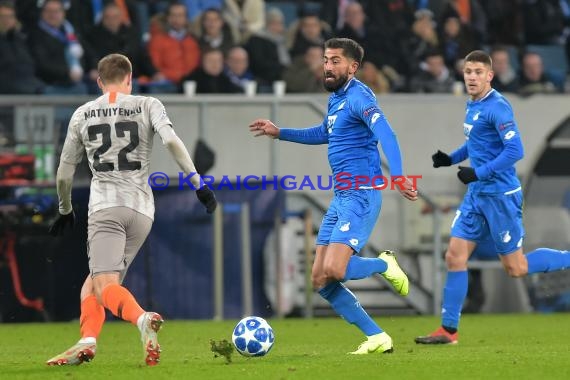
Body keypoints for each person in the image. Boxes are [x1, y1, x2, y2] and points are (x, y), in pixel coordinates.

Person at [248, 38, 418, 354]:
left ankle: (384, 264)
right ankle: (377, 337)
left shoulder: (359, 96)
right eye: (326, 59)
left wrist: (398, 175)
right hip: (341, 196)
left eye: (336, 60)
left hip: (361, 194)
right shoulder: (336, 99)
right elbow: (325, 133)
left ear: (353, 67)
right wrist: (280, 132)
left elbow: (387, 133)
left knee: (337, 270)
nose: (328, 66)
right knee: (320, 280)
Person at [46, 53, 217, 366]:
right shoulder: (148, 103)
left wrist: (65, 208)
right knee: (94, 284)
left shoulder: (83, 113)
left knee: (104, 283)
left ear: (99, 81)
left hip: (106, 208)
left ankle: (142, 319)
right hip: (142, 211)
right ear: (130, 78)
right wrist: (199, 185)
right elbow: (172, 142)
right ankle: (87, 342)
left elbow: (64, 172)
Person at [416, 50, 570, 345]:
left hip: (500, 196)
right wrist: (451, 158)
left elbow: (516, 151)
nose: (472, 77)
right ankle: (448, 331)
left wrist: (479, 172)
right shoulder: (472, 105)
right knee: (455, 256)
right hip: (477, 195)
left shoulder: (498, 107)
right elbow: (476, 142)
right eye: (468, 71)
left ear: (490, 76)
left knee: (516, 268)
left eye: (478, 72)